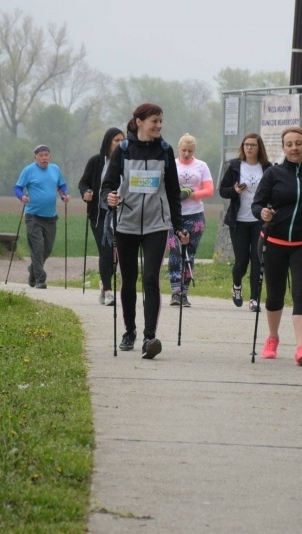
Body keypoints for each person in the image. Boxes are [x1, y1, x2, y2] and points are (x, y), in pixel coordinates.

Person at [100, 102, 189, 359]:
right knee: (128, 280)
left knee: (151, 278)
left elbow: (173, 192)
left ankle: (150, 337)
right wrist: (110, 198)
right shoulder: (124, 150)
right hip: (126, 224)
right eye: (154, 122)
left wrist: (179, 226)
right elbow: (108, 186)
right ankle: (130, 331)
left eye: (161, 121)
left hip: (156, 225)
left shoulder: (165, 150)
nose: (159, 126)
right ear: (139, 122)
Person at [252, 126, 302, 366]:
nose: (294, 147)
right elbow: (257, 205)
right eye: (289, 144)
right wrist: (263, 213)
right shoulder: (273, 174)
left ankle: (301, 347)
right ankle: (273, 338)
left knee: (301, 293)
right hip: (274, 241)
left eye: (298, 143)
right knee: (275, 294)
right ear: (283, 148)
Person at [218, 133, 273, 312]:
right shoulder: (235, 166)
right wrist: (234, 190)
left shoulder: (267, 168)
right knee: (241, 261)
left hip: (259, 220)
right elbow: (223, 191)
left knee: (257, 259)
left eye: (253, 145)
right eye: (246, 144)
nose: (249, 148)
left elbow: (273, 191)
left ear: (259, 148)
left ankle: (254, 299)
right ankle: (236, 286)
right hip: (239, 220)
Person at [78, 127, 125, 306]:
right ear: (108, 142)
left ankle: (105, 284)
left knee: (116, 254)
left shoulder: (126, 162)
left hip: (121, 214)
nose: (120, 144)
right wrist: (86, 192)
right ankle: (107, 290)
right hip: (100, 215)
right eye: (116, 140)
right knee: (106, 251)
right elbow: (84, 182)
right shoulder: (96, 161)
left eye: (122, 140)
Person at [167, 133, 214, 307]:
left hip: (195, 215)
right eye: (184, 150)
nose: (186, 154)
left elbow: (209, 190)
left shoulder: (201, 166)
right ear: (178, 149)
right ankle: (175, 291)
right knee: (174, 252)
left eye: (190, 151)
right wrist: (176, 194)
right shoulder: (171, 164)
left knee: (188, 253)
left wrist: (191, 194)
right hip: (173, 215)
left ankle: (184, 293)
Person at [14, 145, 70, 289]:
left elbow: (62, 185)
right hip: (33, 216)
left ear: (50, 156)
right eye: (41, 155)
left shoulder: (55, 169)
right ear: (36, 157)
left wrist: (64, 195)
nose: (44, 158)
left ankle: (33, 269)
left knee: (48, 249)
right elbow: (18, 188)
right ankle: (40, 279)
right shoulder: (29, 170)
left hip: (50, 217)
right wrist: (22, 197)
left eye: (47, 155)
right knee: (37, 247)